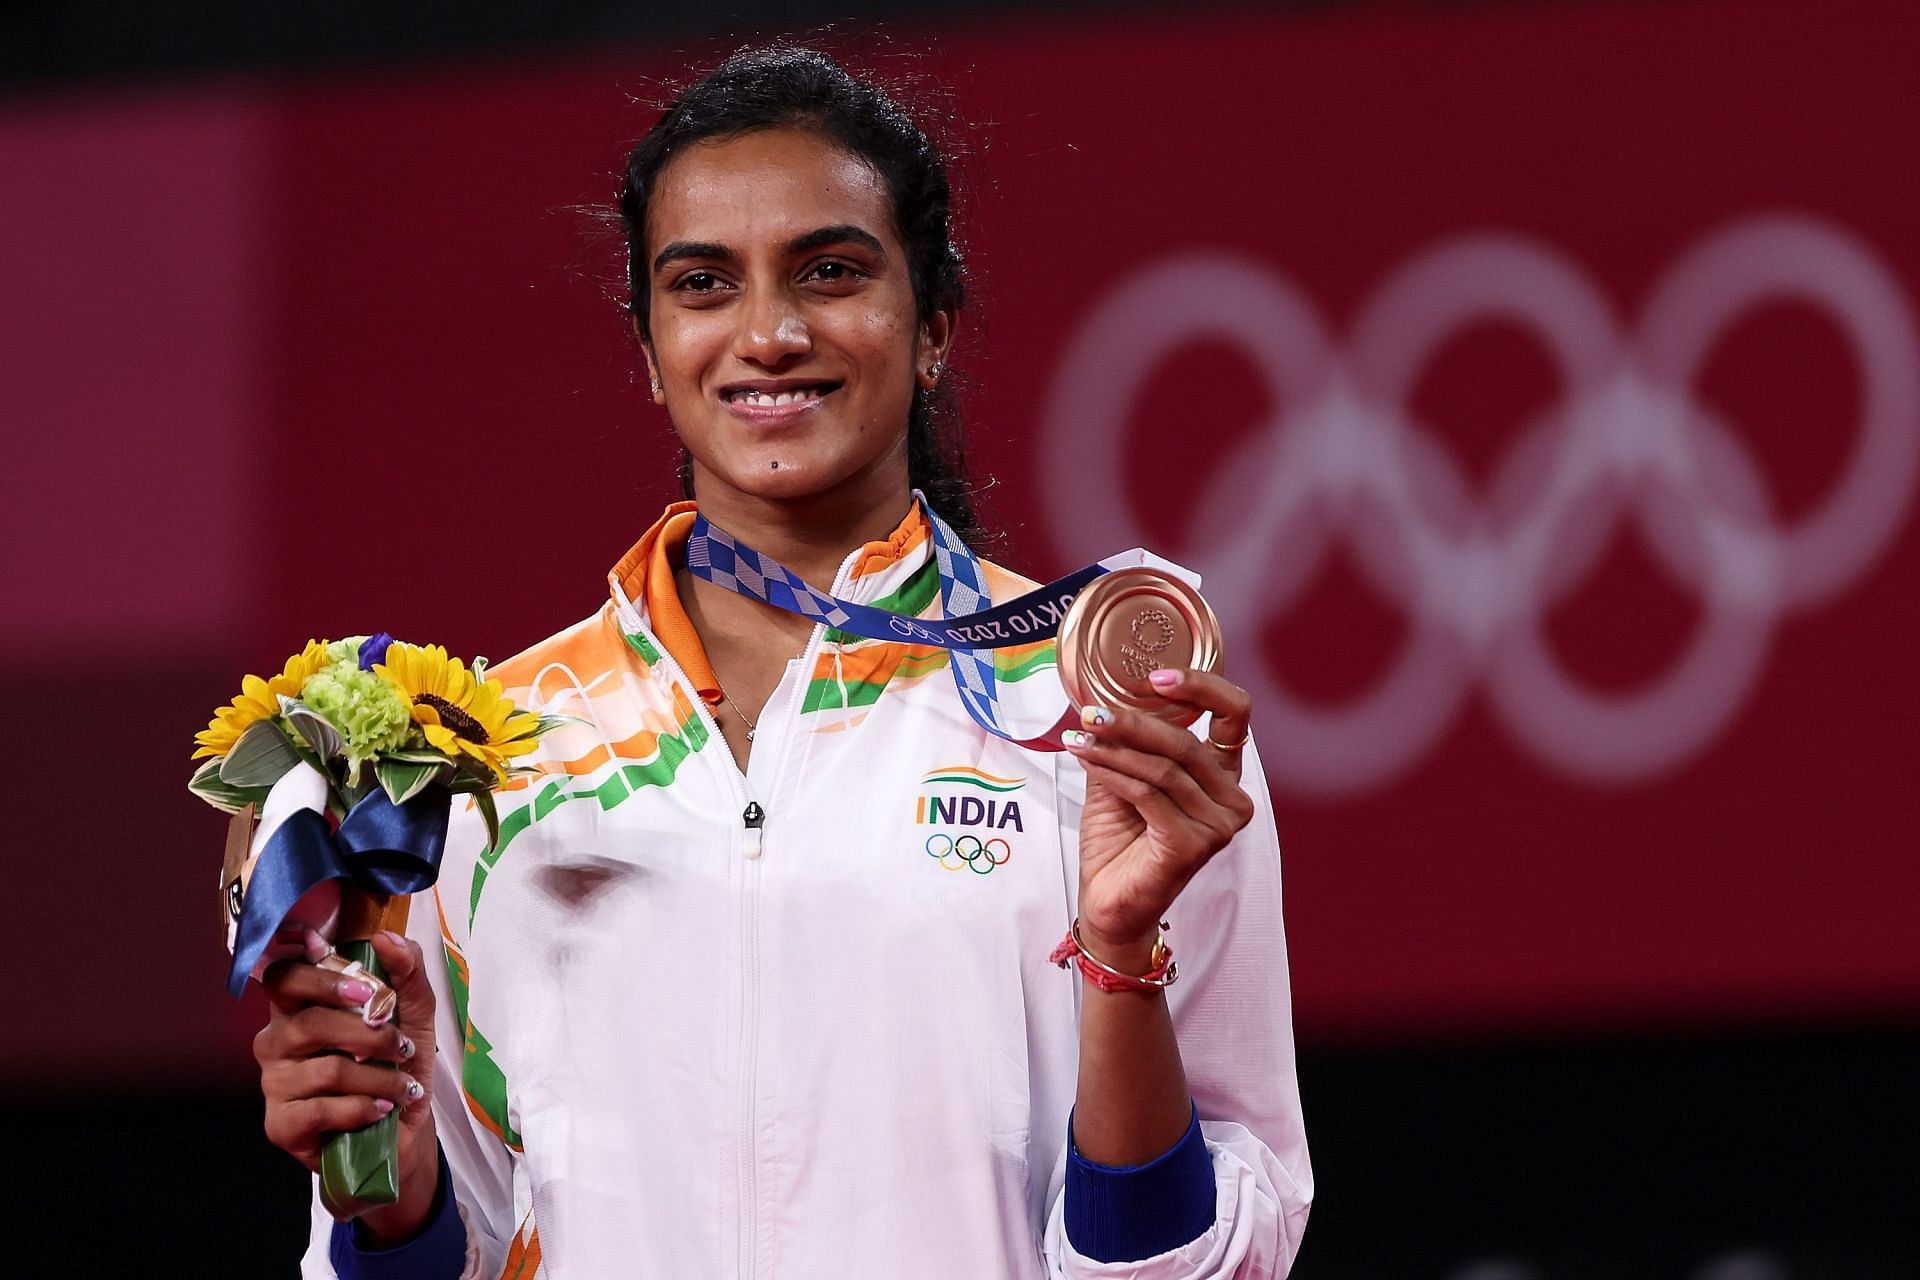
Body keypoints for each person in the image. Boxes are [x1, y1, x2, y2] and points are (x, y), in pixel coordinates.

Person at [254, 45, 1312, 1279]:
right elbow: (458, 1246)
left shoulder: (1093, 713)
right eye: (703, 283)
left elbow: (1220, 1252)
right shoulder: (495, 751)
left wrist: (1122, 963)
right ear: (650, 350)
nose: (770, 331)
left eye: (831, 271)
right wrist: (388, 1187)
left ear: (934, 330)